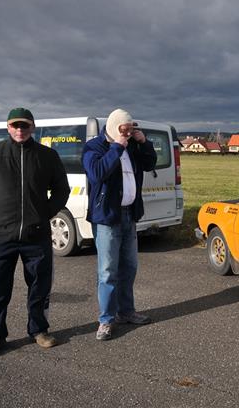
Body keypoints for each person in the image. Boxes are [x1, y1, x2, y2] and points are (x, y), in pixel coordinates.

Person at [0, 107, 70, 360]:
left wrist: (42, 213)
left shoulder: (47, 156)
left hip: (36, 237)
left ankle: (39, 330)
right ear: (8, 127)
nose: (20, 130)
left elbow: (61, 190)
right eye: (15, 126)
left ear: (32, 127)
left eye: (24, 125)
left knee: (39, 287)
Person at [82, 108, 157, 341]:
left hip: (129, 215)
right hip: (107, 217)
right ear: (114, 128)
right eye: (123, 130)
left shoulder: (132, 146)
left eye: (130, 130)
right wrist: (117, 146)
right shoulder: (95, 147)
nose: (127, 134)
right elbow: (97, 173)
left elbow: (149, 163)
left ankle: (126, 311)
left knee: (129, 267)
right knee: (107, 271)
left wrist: (143, 143)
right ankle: (106, 319)